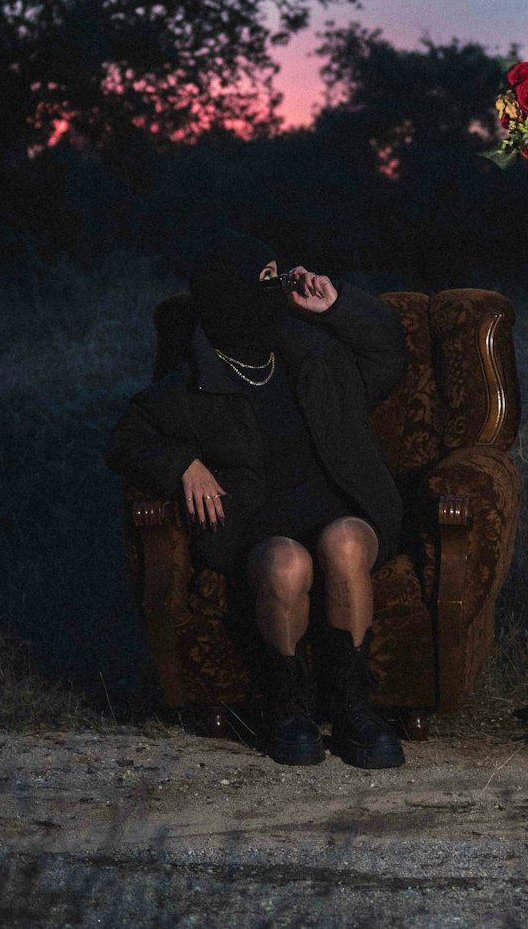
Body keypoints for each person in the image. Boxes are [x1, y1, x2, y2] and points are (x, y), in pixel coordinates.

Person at [108, 231, 408, 769]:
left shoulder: (315, 354)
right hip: (255, 522)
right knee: (286, 564)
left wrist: (336, 305)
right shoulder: (191, 385)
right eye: (270, 279)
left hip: (338, 502)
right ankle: (289, 707)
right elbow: (126, 440)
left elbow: (388, 351)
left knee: (342, 544)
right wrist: (183, 465)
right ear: (234, 295)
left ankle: (352, 707)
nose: (286, 284)